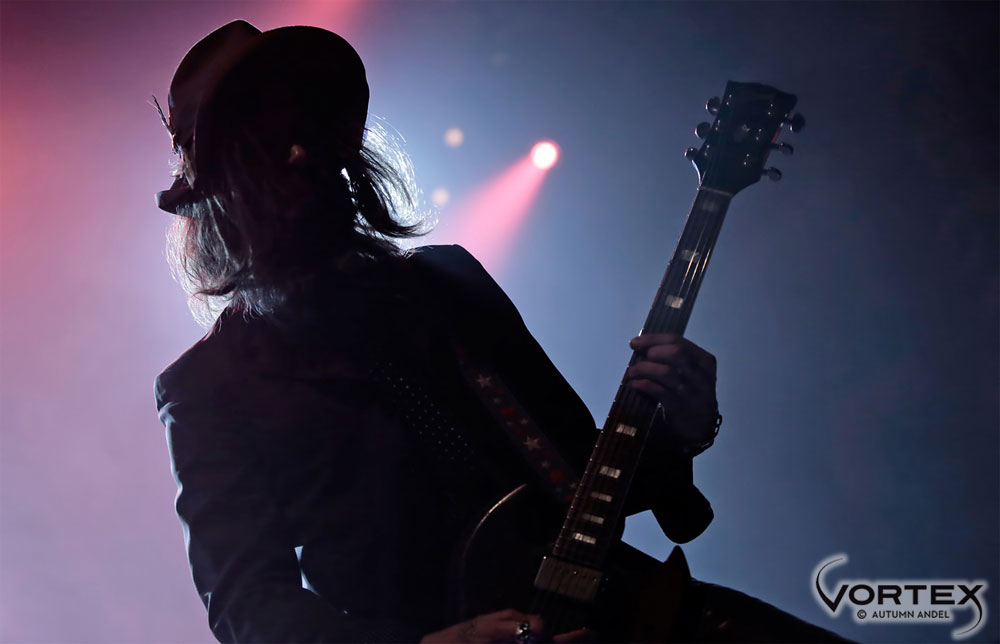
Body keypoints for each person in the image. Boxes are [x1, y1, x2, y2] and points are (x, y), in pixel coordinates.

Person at [153, 20, 847, 644]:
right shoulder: (209, 388)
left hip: (629, 611)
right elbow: (252, 611)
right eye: (262, 148)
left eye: (301, 128)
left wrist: (682, 425)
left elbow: (583, 481)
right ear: (219, 194)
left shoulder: (445, 283)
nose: (296, 158)